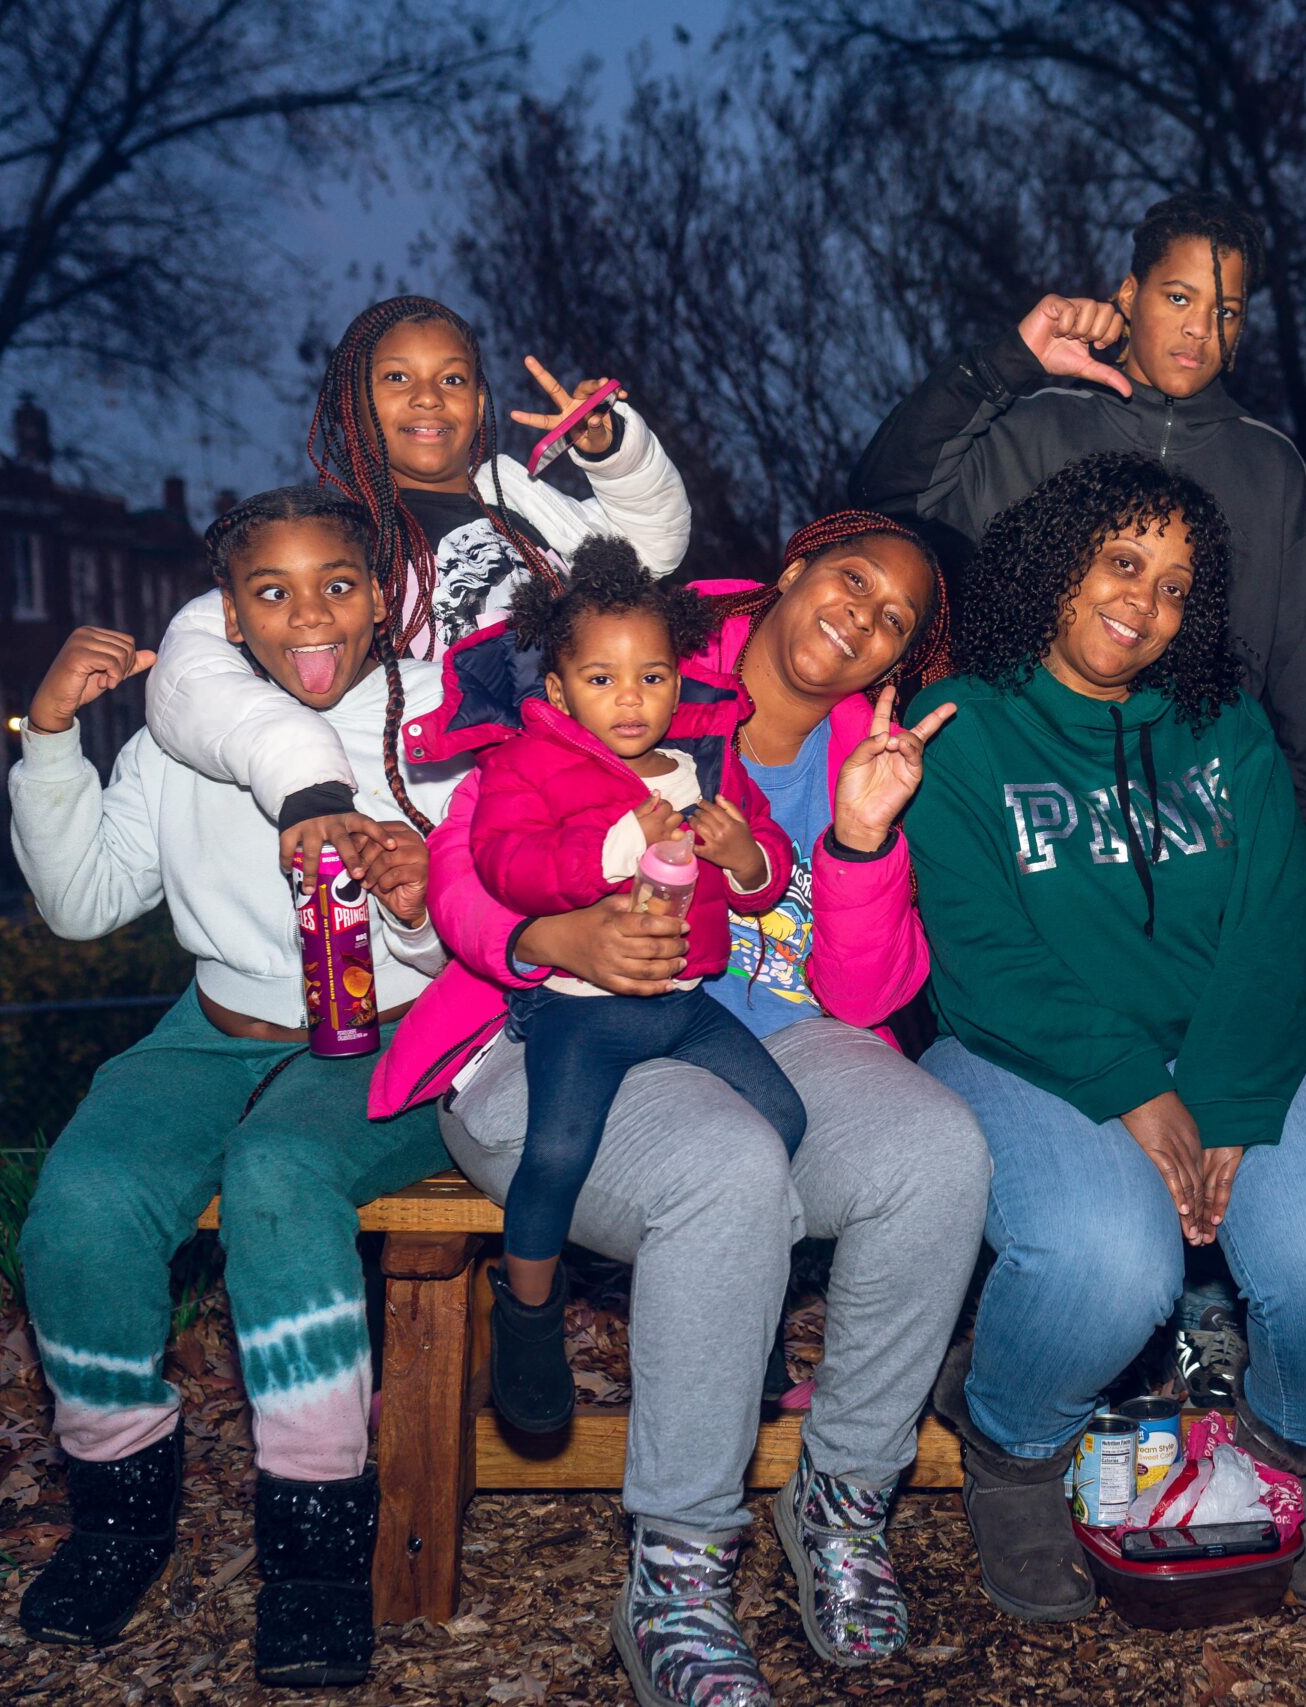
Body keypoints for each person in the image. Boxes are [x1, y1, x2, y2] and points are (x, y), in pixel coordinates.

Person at [371, 510, 987, 1705]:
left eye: (895, 618)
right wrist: (548, 935)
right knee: (726, 1165)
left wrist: (861, 840)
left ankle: (843, 1498)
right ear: (796, 567)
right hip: (545, 1034)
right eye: (852, 579)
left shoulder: (874, 756)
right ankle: (679, 1573)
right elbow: (466, 855)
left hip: (762, 1043)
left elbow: (864, 995)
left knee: (937, 1148)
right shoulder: (632, 659)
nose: (861, 617)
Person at [900, 452, 1306, 1620]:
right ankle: (1014, 1450)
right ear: (1057, 566)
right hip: (1020, 1048)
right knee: (1106, 1263)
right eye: (1124, 563)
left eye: (1177, 586)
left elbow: (1274, 932)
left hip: (1239, 1038)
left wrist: (1223, 1095)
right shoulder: (960, 725)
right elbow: (980, 953)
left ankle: (1287, 1449)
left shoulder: (1224, 725)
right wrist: (1136, 1087)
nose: (1146, 602)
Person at [12, 489, 455, 1687]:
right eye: (272, 591)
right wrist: (50, 736)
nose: (308, 615)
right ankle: (118, 1517)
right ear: (230, 614)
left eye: (338, 585)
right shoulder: (184, 730)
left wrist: (417, 903)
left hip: (399, 1034)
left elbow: (487, 941)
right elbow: (81, 904)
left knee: (280, 1176)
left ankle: (314, 1555)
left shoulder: (438, 726)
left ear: (381, 599)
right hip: (212, 1028)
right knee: (86, 1200)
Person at [848, 191, 1306, 976]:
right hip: (1037, 818)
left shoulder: (1270, 467)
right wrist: (1006, 364)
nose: (1200, 328)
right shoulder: (1038, 425)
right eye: (1178, 297)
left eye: (1226, 311)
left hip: (1206, 835)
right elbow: (883, 501)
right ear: (1129, 295)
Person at [143, 294, 692, 877]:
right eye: (397, 377)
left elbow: (649, 550)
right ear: (355, 402)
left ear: (477, 404)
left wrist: (613, 452)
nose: (428, 397)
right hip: (453, 813)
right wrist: (303, 775)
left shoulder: (516, 496)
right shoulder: (334, 536)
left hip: (590, 789)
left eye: (451, 379)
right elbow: (203, 644)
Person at [446, 538, 802, 1433]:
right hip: (580, 1010)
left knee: (785, 1116)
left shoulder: (708, 763)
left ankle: (745, 1301)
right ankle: (528, 1317)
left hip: (684, 1002)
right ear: (559, 688)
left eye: (652, 676)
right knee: (557, 1154)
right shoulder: (525, 763)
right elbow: (505, 861)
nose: (631, 698)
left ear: (678, 683)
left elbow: (765, 861)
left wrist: (746, 855)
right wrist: (613, 847)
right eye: (601, 679)